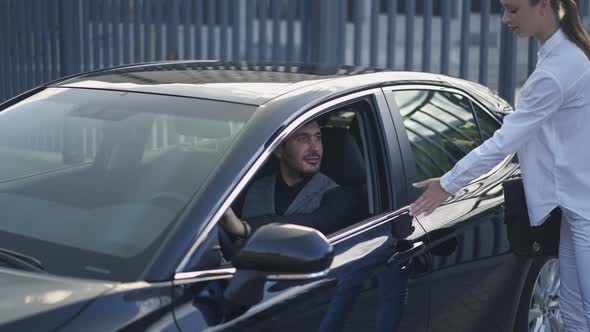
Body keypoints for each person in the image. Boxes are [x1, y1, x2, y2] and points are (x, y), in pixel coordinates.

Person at [409, 0, 590, 330]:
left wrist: (447, 184)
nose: (505, 18)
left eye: (513, 9)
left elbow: (504, 141)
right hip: (576, 206)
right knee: (575, 312)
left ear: (544, 7)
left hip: (583, 208)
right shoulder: (565, 55)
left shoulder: (557, 70)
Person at [219, 120, 360, 251]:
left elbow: (315, 223)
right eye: (303, 139)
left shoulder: (340, 195)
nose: (315, 148)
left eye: (318, 138)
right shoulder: (253, 187)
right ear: (279, 150)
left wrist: (244, 228)